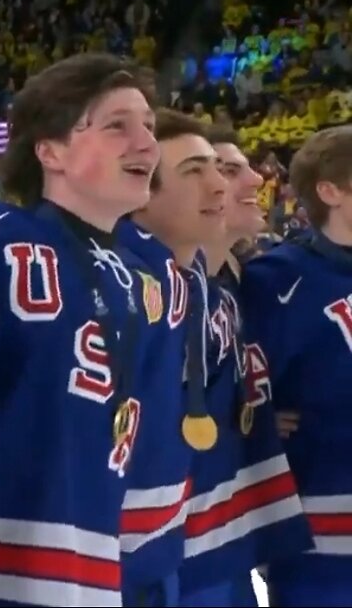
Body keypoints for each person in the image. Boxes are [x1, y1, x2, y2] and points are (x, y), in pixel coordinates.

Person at [0, 52, 169, 606]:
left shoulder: (148, 279)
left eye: (149, 128)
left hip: (92, 561)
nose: (147, 145)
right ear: (50, 151)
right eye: (117, 125)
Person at [176, 125, 311, 606]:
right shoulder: (159, 287)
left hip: (233, 525)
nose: (253, 180)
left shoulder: (250, 277)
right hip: (184, 531)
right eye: (226, 169)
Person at [116, 109, 230, 606]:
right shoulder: (113, 286)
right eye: (193, 172)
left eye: (217, 169)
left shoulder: (197, 278)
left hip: (179, 535)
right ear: (141, 192)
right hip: (110, 550)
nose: (219, 187)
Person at [240, 126, 352, 606]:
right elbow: (238, 387)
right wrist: (258, 417)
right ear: (330, 192)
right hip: (321, 536)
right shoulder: (275, 281)